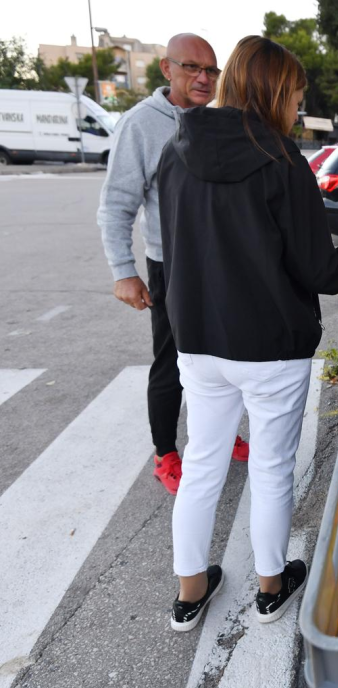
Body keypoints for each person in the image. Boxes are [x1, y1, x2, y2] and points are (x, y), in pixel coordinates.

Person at [156, 35, 338, 630]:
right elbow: (316, 268)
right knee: (270, 468)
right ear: (273, 91)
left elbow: (171, 243)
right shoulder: (282, 160)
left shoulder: (176, 148)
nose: (295, 108)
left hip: (197, 339)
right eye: (294, 95)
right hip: (269, 344)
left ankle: (189, 592)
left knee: (203, 463)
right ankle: (269, 585)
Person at [97, 33, 248, 494]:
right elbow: (116, 204)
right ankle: (166, 453)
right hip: (171, 267)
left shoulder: (220, 120)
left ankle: (225, 436)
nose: (203, 78)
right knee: (172, 363)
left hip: (219, 265)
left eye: (211, 70)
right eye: (191, 68)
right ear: (167, 69)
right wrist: (124, 271)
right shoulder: (141, 124)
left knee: (224, 357)